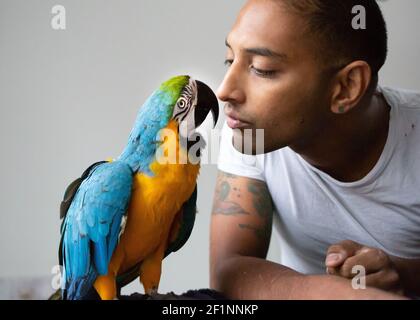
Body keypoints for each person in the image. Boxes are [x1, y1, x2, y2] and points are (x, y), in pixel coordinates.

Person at [210, 0, 420, 299]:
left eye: (261, 69)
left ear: (346, 86)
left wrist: (400, 275)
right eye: (230, 60)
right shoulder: (250, 132)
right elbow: (228, 271)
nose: (225, 90)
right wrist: (335, 293)